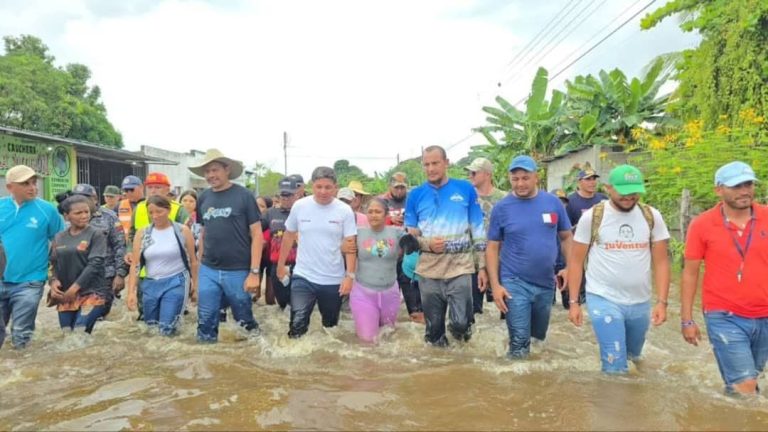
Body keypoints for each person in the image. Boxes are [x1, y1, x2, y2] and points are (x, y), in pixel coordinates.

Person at [566, 164, 671, 374]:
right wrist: (574, 302)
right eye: (623, 192)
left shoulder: (652, 216)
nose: (629, 197)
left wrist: (662, 302)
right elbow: (576, 261)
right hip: (603, 298)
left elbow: (661, 262)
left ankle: (633, 404)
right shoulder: (593, 217)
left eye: (634, 192)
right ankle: (613, 405)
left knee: (634, 358)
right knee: (615, 365)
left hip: (640, 301)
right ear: (608, 188)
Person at [681, 161, 768, 395]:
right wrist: (687, 319)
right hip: (724, 315)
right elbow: (690, 273)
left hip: (764, 314)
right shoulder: (702, 225)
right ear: (719, 190)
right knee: (746, 386)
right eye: (736, 186)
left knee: (753, 377)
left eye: (748, 184)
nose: (745, 191)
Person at [487, 156, 573, 359]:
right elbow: (492, 248)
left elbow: (567, 237)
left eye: (525, 178)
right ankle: (515, 386)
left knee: (538, 341)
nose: (520, 183)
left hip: (545, 283)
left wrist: (570, 267)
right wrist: (495, 285)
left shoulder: (553, 203)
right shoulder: (502, 208)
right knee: (519, 343)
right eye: (515, 179)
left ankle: (536, 386)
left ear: (536, 177)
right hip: (514, 281)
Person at [405, 146, 486, 346]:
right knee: (433, 332)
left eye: (435, 163)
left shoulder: (466, 189)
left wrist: (482, 267)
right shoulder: (415, 195)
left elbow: (478, 229)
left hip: (460, 268)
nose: (431, 168)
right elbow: (410, 236)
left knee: (462, 324)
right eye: (426, 164)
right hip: (428, 271)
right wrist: (428, 244)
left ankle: (461, 361)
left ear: (446, 163)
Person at [189, 149, 262, 342]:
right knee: (205, 318)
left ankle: (251, 353)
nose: (211, 175)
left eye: (215, 170)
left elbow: (257, 234)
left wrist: (254, 272)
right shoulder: (203, 198)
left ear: (227, 169)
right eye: (207, 172)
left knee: (243, 319)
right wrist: (198, 269)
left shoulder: (244, 196)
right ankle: (206, 360)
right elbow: (203, 233)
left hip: (238, 269)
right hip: (209, 268)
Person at [276, 166, 357, 339]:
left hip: (332, 278)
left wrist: (349, 276)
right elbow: (289, 236)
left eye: (328, 187)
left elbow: (351, 245)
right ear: (312, 186)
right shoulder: (300, 206)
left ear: (335, 187)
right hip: (303, 275)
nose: (323, 191)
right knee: (297, 324)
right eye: (319, 187)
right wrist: (280, 265)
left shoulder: (344, 210)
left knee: (330, 328)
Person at [0, 165, 65, 348]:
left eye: (34, 182)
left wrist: (55, 278)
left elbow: (61, 246)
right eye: (25, 183)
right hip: (1, 279)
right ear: (10, 187)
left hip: (30, 282)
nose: (33, 187)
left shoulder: (47, 210)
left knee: (21, 334)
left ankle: (22, 367)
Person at [126, 195, 198, 336]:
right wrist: (131, 293)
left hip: (176, 282)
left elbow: (193, 261)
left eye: (159, 212)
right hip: (150, 284)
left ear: (169, 210)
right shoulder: (143, 233)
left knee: (166, 328)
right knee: (150, 329)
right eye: (151, 213)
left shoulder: (182, 231)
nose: (155, 216)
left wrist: (196, 286)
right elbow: (135, 264)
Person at [49, 195, 108, 333]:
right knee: (67, 334)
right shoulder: (59, 237)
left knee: (79, 332)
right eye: (78, 213)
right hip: (66, 295)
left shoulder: (96, 234)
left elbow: (95, 264)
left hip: (92, 293)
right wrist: (53, 282)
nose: (84, 216)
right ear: (66, 216)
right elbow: (52, 264)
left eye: (86, 212)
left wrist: (74, 288)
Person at [349, 198, 403, 343]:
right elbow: (343, 251)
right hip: (363, 293)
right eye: (370, 212)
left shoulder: (397, 233)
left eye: (378, 212)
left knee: (388, 339)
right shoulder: (356, 234)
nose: (373, 215)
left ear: (386, 215)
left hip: (390, 293)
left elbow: (414, 240)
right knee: (367, 341)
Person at [71, 184, 127, 314]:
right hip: (77, 276)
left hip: (104, 277)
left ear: (94, 199)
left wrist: (120, 274)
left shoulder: (109, 217)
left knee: (98, 317)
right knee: (76, 320)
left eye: (84, 198)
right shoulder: (69, 218)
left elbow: (120, 246)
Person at [379, 172, 423, 323]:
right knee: (385, 307)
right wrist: (389, 219)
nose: (399, 191)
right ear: (390, 186)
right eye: (396, 187)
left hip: (409, 256)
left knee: (415, 306)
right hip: (387, 256)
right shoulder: (381, 201)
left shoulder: (413, 200)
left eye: (402, 188)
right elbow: (371, 223)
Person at [465, 157, 506, 317]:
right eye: (469, 172)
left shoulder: (504, 198)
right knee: (473, 312)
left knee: (506, 308)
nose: (470, 175)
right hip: (473, 260)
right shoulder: (466, 198)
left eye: (474, 172)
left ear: (487, 174)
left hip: (501, 259)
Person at [564, 167, 608, 308]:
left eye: (594, 178)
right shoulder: (571, 201)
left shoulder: (603, 199)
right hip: (580, 247)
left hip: (601, 247)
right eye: (588, 179)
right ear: (579, 182)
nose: (592, 182)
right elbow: (566, 231)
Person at [262, 177, 300, 309]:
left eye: (288, 194)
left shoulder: (303, 212)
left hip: (300, 266)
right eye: (282, 194)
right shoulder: (270, 213)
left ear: (296, 194)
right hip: (277, 265)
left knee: (298, 304)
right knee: (282, 304)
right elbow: (255, 230)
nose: (285, 197)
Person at [255, 195, 274, 302]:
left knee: (270, 298)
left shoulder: (271, 224)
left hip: (270, 257)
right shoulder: (250, 223)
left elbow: (263, 243)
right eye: (255, 205)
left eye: (261, 206)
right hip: (258, 259)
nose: (258, 208)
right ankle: (256, 295)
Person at [117, 175, 144, 243]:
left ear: (141, 187)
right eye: (126, 190)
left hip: (144, 244)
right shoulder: (119, 205)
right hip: (126, 246)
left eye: (132, 189)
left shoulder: (150, 204)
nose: (128, 193)